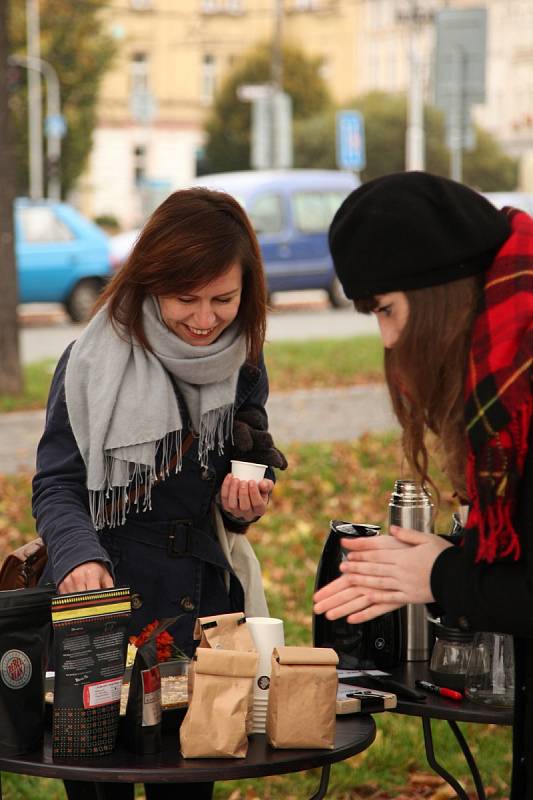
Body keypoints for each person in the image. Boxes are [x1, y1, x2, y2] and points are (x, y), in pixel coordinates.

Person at [33, 187, 286, 800]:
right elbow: (57, 482)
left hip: (199, 619)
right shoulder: (90, 362)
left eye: (223, 299)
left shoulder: (244, 363)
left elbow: (247, 463)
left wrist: (243, 502)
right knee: (101, 783)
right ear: (150, 283)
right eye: (185, 299)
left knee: (188, 782)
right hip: (101, 613)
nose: (205, 319)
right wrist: (78, 555)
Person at [313, 171, 533, 799]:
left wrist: (442, 577)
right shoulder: (509, 364)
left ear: (440, 291)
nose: (386, 338)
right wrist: (451, 560)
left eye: (387, 308)